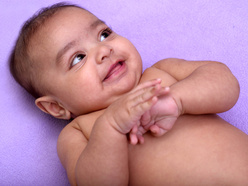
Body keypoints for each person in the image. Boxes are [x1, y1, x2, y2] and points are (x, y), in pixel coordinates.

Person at [9, 3, 248, 185]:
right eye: (78, 58)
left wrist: (177, 99)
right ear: (56, 107)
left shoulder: (160, 73)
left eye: (104, 34)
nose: (104, 50)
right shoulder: (80, 131)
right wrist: (111, 127)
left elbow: (227, 84)